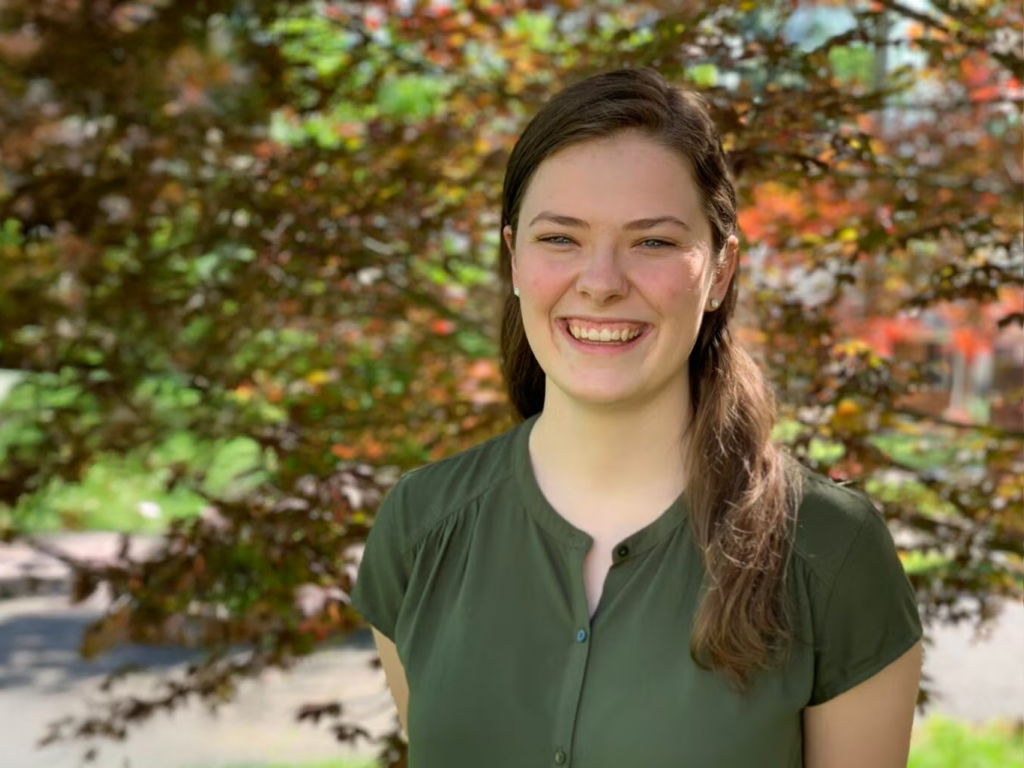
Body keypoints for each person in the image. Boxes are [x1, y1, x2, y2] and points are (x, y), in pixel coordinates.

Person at [349, 67, 924, 768]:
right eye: (560, 238)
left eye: (652, 241)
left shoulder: (831, 552)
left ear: (719, 271)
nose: (600, 281)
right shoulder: (419, 526)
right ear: (514, 259)